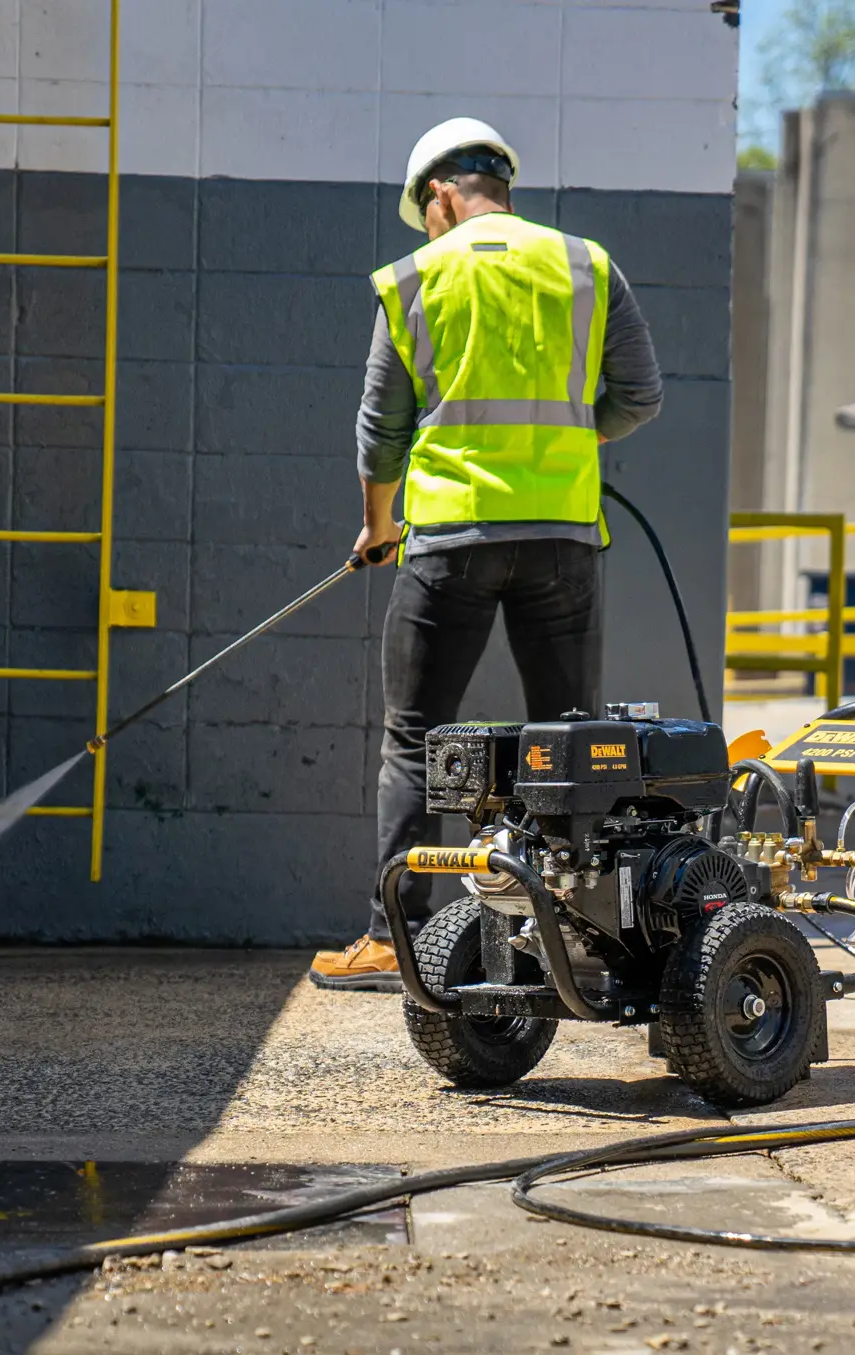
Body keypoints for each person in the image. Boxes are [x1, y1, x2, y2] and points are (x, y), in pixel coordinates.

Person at [309, 118, 664, 991]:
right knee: (573, 744)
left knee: (415, 743)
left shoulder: (414, 278)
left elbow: (380, 432)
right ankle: (582, 943)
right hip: (565, 540)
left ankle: (394, 939)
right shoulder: (587, 266)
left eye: (424, 212)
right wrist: (569, 444)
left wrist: (377, 524)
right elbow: (641, 397)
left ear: (439, 194)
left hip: (450, 540)